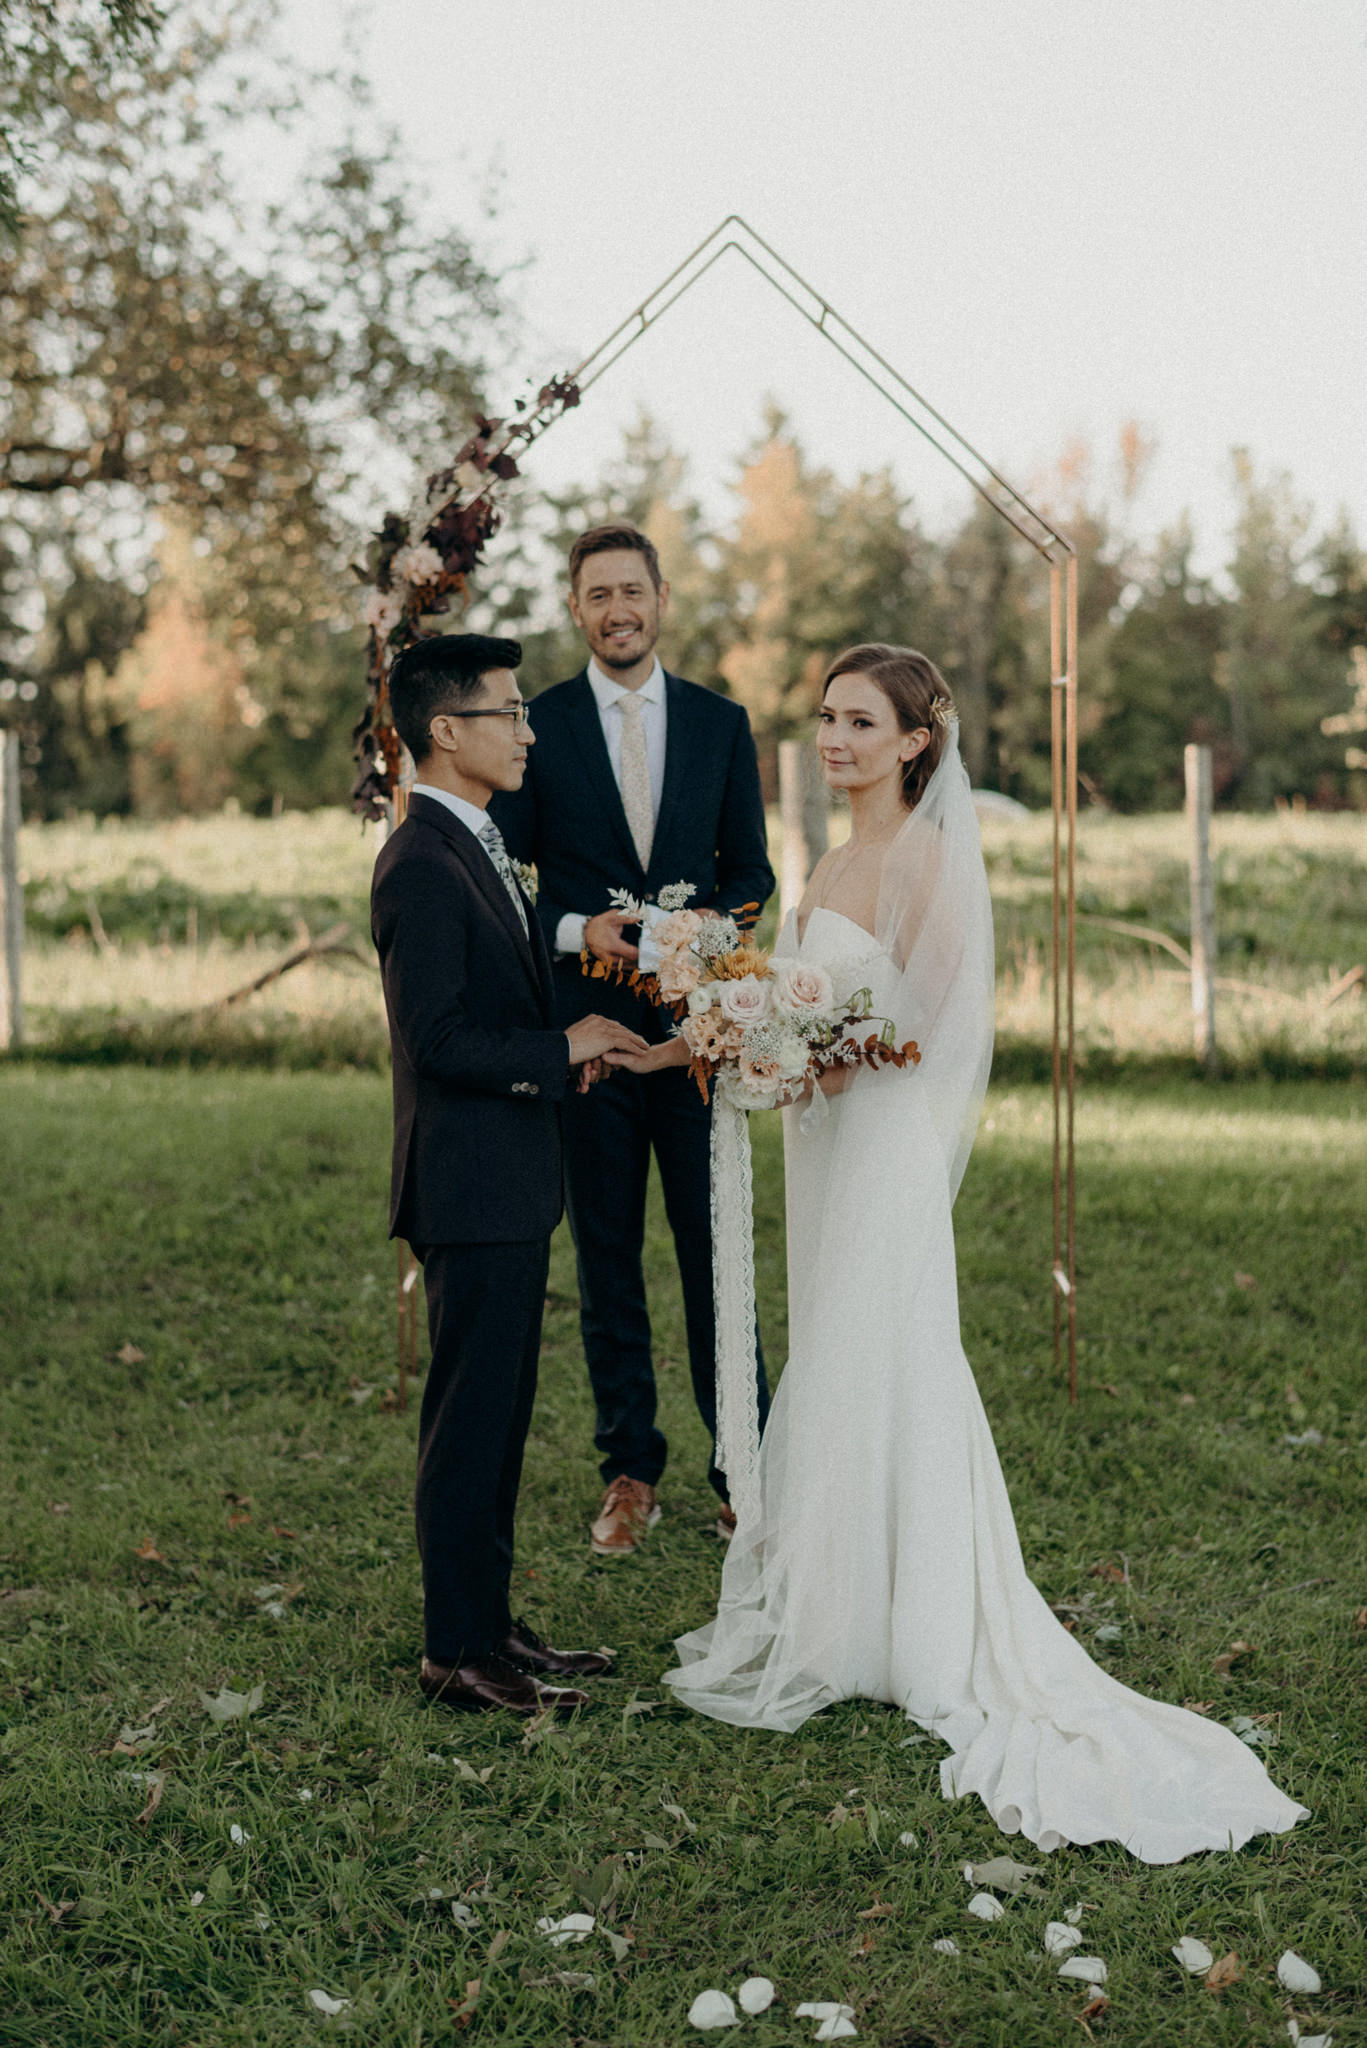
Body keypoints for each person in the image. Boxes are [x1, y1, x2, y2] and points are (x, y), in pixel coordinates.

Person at [610, 644, 1308, 1862]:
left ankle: (910, 1620)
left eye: (859, 723)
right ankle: (836, 1603)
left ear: (913, 743)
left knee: (882, 1353)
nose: (833, 740)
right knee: (833, 1343)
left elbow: (915, 1025)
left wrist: (796, 1056)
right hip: (820, 1144)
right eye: (824, 717)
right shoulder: (828, 857)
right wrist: (716, 1039)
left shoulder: (927, 860)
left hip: (876, 1147)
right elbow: (787, 992)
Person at [370, 632, 649, 1716]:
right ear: (449, 731)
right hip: (467, 1184)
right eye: (511, 711)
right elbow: (433, 1038)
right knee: (468, 1419)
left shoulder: (472, 841)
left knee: (500, 1410)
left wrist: (567, 997)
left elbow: (512, 959)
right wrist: (561, 1050)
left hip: (507, 1176)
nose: (528, 729)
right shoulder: (418, 861)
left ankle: (489, 1624)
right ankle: (453, 1652)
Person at [491, 524, 775, 1558]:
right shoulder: (540, 725)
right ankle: (628, 1467)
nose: (617, 608)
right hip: (589, 1036)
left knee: (715, 1251)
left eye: (631, 589)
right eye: (597, 593)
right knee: (606, 1253)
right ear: (577, 608)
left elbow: (750, 870)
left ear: (660, 597)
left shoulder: (718, 722)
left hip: (697, 1034)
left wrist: (709, 936)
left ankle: (742, 1467)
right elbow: (504, 878)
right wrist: (577, 933)